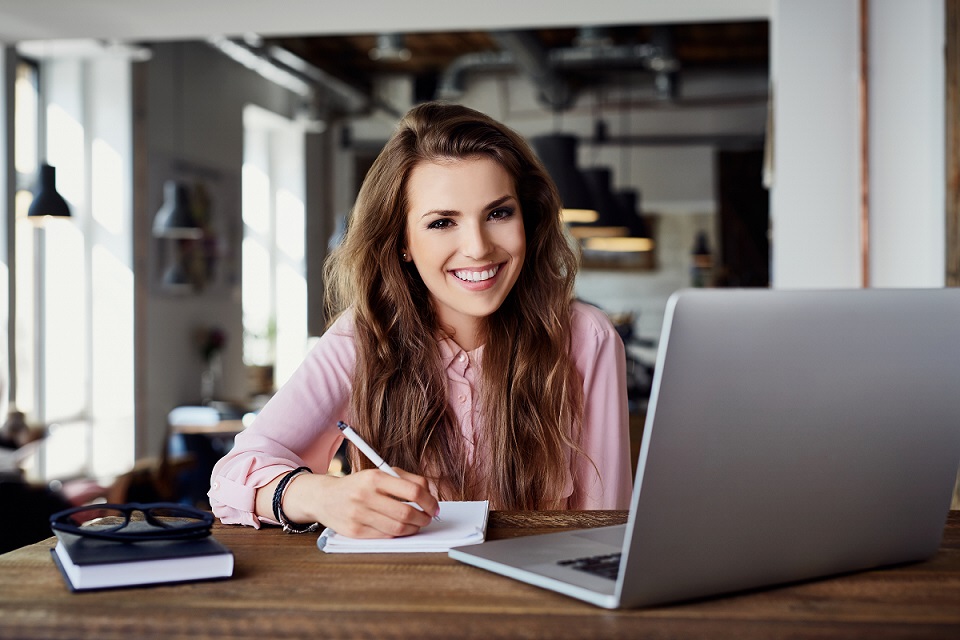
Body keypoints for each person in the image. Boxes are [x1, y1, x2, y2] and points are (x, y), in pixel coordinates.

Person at [208, 101, 632, 538]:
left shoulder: (586, 337)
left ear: (529, 217)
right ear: (402, 241)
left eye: (498, 213)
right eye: (443, 222)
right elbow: (229, 478)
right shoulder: (362, 337)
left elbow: (604, 530)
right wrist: (320, 496)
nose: (478, 247)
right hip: (398, 594)